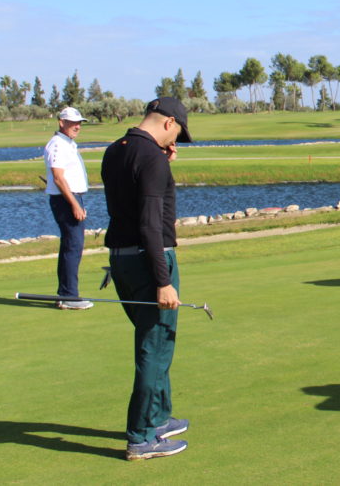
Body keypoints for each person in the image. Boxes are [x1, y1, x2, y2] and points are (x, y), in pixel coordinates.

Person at [101, 97, 194, 460]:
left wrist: (161, 165)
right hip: (150, 262)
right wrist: (163, 280)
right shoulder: (151, 158)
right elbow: (151, 224)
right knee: (154, 348)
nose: (175, 143)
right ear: (169, 123)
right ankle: (141, 437)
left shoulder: (115, 150)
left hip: (121, 261)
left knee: (157, 343)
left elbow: (132, 201)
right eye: (177, 134)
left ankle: (156, 417)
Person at [44, 107, 93, 310]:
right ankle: (68, 296)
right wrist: (74, 204)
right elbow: (58, 177)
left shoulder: (68, 144)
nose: (77, 126)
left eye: (79, 122)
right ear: (61, 122)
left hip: (71, 197)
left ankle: (66, 294)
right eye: (73, 122)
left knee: (72, 246)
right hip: (66, 200)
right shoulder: (58, 144)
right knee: (72, 247)